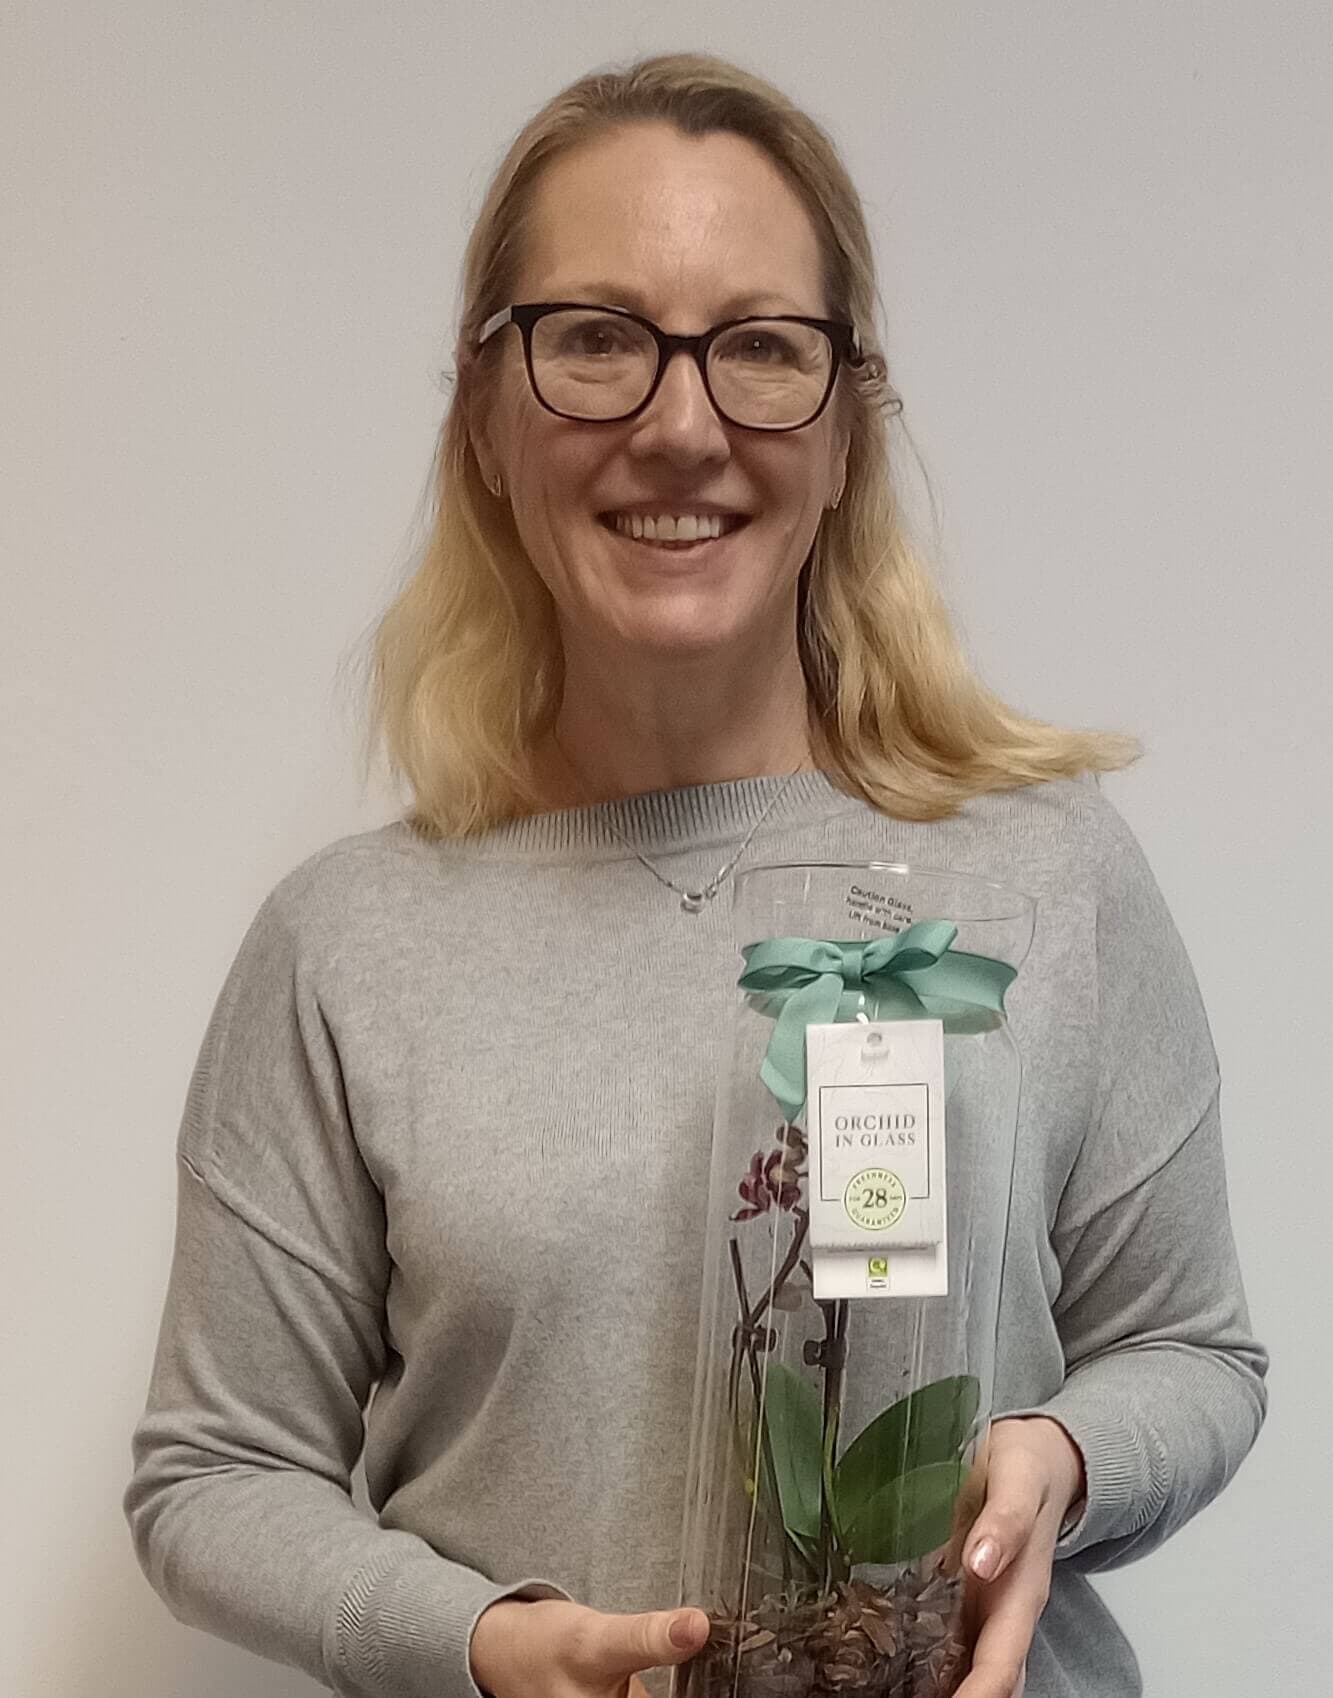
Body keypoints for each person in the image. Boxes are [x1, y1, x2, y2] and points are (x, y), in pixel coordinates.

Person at [123, 50, 1267, 1698]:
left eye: (758, 346)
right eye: (595, 340)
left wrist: (1060, 1459)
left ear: (848, 426)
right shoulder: (347, 943)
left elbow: (1190, 1348)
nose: (679, 425)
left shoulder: (1046, 870)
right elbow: (215, 1472)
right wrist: (476, 1642)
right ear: (484, 417)